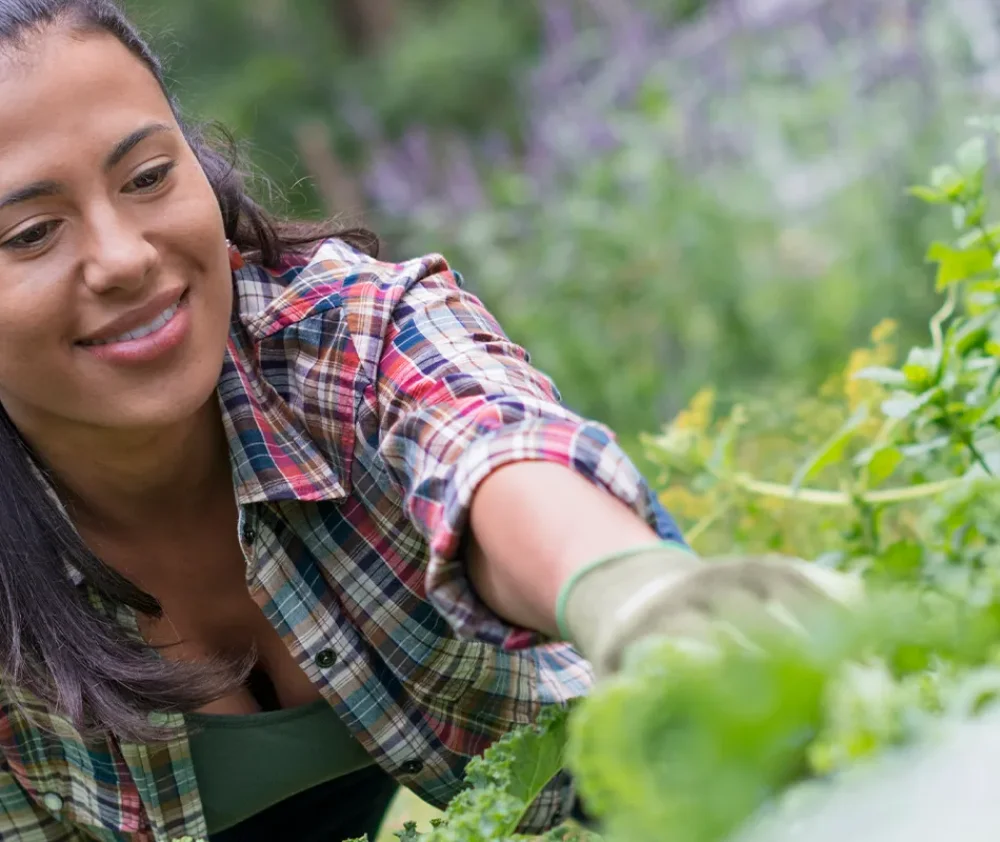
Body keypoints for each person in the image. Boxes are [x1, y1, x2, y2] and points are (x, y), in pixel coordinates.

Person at [0, 2, 858, 840]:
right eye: (32, 233)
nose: (124, 258)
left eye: (149, 177)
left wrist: (628, 593)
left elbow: (483, 437)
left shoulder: (334, 332)